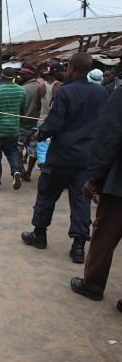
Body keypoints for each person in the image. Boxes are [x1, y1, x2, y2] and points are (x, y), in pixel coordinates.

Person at [21, 52, 109, 263]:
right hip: (86, 157)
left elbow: (56, 122)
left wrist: (40, 133)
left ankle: (39, 234)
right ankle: (78, 246)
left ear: (72, 68)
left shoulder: (66, 92)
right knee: (81, 201)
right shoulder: (101, 93)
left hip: (61, 155)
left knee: (47, 195)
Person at [69, 87, 122, 311]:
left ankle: (93, 284)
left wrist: (94, 178)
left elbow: (109, 135)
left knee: (105, 235)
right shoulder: (104, 93)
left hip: (119, 185)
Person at [0, 67, 27, 191]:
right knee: (12, 151)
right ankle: (16, 171)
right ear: (14, 77)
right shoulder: (21, 90)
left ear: (2, 77)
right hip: (13, 128)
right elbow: (23, 110)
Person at [16, 65, 45, 182]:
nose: (20, 76)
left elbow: (19, 108)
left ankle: (22, 169)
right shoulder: (42, 87)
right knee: (33, 149)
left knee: (18, 147)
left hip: (24, 122)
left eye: (22, 74)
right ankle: (28, 172)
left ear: (29, 75)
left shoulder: (23, 89)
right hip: (37, 123)